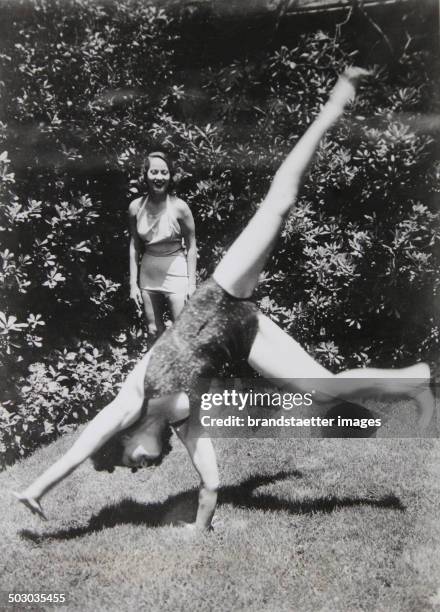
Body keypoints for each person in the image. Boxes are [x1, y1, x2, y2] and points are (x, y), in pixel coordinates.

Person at [15, 68, 434, 531]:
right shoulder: (184, 423)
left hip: (221, 295)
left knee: (280, 200)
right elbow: (211, 484)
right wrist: (197, 532)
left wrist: (36, 490)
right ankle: (414, 381)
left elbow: (79, 450)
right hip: (245, 334)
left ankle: (337, 101)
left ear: (125, 439)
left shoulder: (128, 404)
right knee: (324, 390)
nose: (141, 468)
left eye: (131, 463)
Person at [128, 150, 197, 339]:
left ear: (170, 176)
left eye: (164, 172)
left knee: (182, 333)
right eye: (154, 172)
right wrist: (133, 284)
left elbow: (191, 247)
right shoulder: (135, 207)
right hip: (149, 274)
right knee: (153, 331)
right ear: (146, 175)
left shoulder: (180, 208)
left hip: (176, 271)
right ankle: (156, 369)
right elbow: (135, 245)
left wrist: (191, 284)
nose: (159, 177)